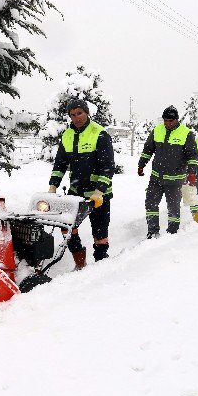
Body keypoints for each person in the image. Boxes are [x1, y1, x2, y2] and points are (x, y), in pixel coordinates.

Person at [48, 98, 115, 269]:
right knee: (67, 227)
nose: (76, 117)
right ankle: (80, 263)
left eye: (80, 113)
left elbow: (107, 166)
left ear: (86, 113)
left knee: (100, 234)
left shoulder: (99, 133)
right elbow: (60, 164)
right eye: (73, 114)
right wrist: (53, 186)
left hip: (98, 195)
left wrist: (100, 191)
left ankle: (101, 264)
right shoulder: (67, 136)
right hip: (76, 192)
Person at [138, 105, 198, 238]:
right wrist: (141, 164)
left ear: (176, 120)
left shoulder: (186, 133)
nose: (167, 123)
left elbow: (192, 155)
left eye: (170, 121)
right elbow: (148, 149)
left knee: (173, 207)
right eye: (165, 120)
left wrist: (192, 172)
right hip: (156, 178)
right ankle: (152, 232)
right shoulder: (157, 130)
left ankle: (172, 232)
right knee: (150, 204)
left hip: (175, 179)